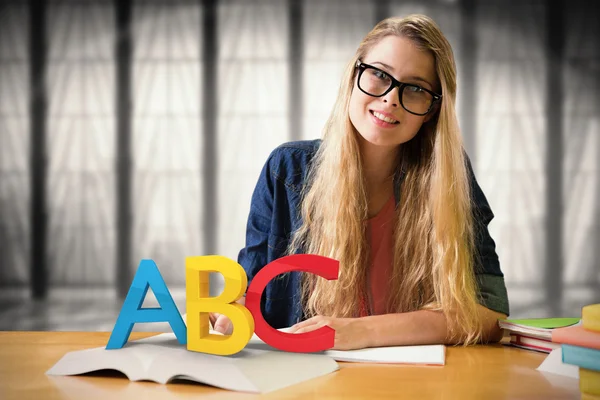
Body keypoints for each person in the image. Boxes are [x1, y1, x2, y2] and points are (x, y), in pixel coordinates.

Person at [210, 14, 509, 350]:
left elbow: (491, 314)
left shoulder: (449, 179)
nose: (390, 99)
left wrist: (360, 332)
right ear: (354, 76)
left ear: (432, 110)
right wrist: (225, 316)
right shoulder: (287, 170)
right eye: (380, 75)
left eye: (415, 89)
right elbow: (248, 293)